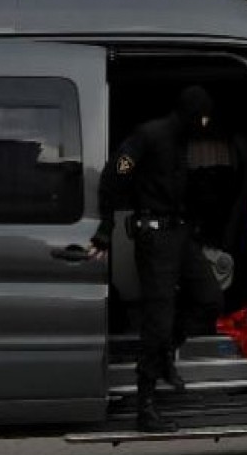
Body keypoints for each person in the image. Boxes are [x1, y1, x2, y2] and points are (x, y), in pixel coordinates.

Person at [89, 85, 225, 433]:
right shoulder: (149, 135)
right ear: (191, 115)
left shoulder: (181, 141)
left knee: (211, 299)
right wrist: (105, 228)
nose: (205, 126)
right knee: (157, 320)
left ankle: (166, 350)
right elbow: (114, 175)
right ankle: (145, 407)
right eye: (203, 118)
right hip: (154, 238)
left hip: (179, 234)